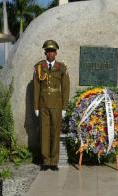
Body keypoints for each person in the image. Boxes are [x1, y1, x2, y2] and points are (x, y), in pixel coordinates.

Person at [33, 40, 70, 171]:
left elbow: (65, 88)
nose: (50, 54)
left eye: (52, 52)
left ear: (56, 53)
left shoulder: (62, 68)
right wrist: (36, 107)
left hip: (57, 105)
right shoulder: (39, 67)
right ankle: (45, 161)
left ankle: (54, 161)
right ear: (45, 53)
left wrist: (64, 107)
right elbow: (36, 88)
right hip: (43, 105)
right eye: (48, 51)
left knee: (55, 132)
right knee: (44, 132)